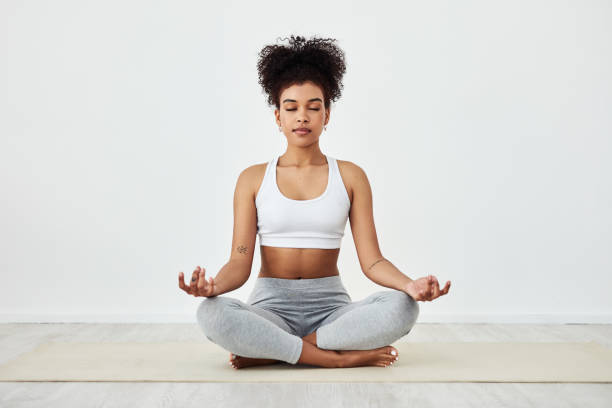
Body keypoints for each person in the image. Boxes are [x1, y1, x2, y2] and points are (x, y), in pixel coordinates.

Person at [178, 35, 451, 369]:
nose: (302, 117)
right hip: (270, 309)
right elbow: (239, 262)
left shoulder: (351, 177)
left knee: (403, 306)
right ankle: (336, 359)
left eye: (313, 107)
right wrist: (213, 287)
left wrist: (409, 285)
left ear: (327, 114)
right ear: (278, 117)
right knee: (212, 313)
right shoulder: (252, 179)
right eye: (291, 108)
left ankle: (274, 351)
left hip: (331, 312)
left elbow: (373, 261)